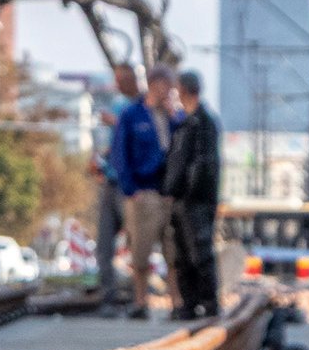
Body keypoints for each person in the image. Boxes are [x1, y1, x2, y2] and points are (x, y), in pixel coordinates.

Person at [111, 63, 179, 319]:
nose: (169, 92)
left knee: (173, 251)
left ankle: (176, 301)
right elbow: (120, 154)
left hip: (167, 193)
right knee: (141, 251)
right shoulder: (132, 115)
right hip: (143, 192)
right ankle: (140, 301)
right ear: (154, 85)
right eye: (166, 87)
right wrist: (131, 189)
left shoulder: (172, 118)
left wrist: (175, 117)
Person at [163, 69, 222, 319]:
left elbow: (201, 166)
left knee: (199, 252)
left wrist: (185, 191)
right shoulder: (187, 123)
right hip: (183, 199)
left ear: (183, 90)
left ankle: (208, 303)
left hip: (194, 200)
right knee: (183, 256)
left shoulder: (201, 123)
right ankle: (190, 304)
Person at [92, 63, 141, 315]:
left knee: (135, 243)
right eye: (116, 79)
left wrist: (116, 122)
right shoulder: (118, 104)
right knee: (104, 243)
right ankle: (108, 297)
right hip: (110, 181)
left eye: (122, 79)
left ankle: (137, 297)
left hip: (129, 185)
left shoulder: (139, 108)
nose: (118, 84)